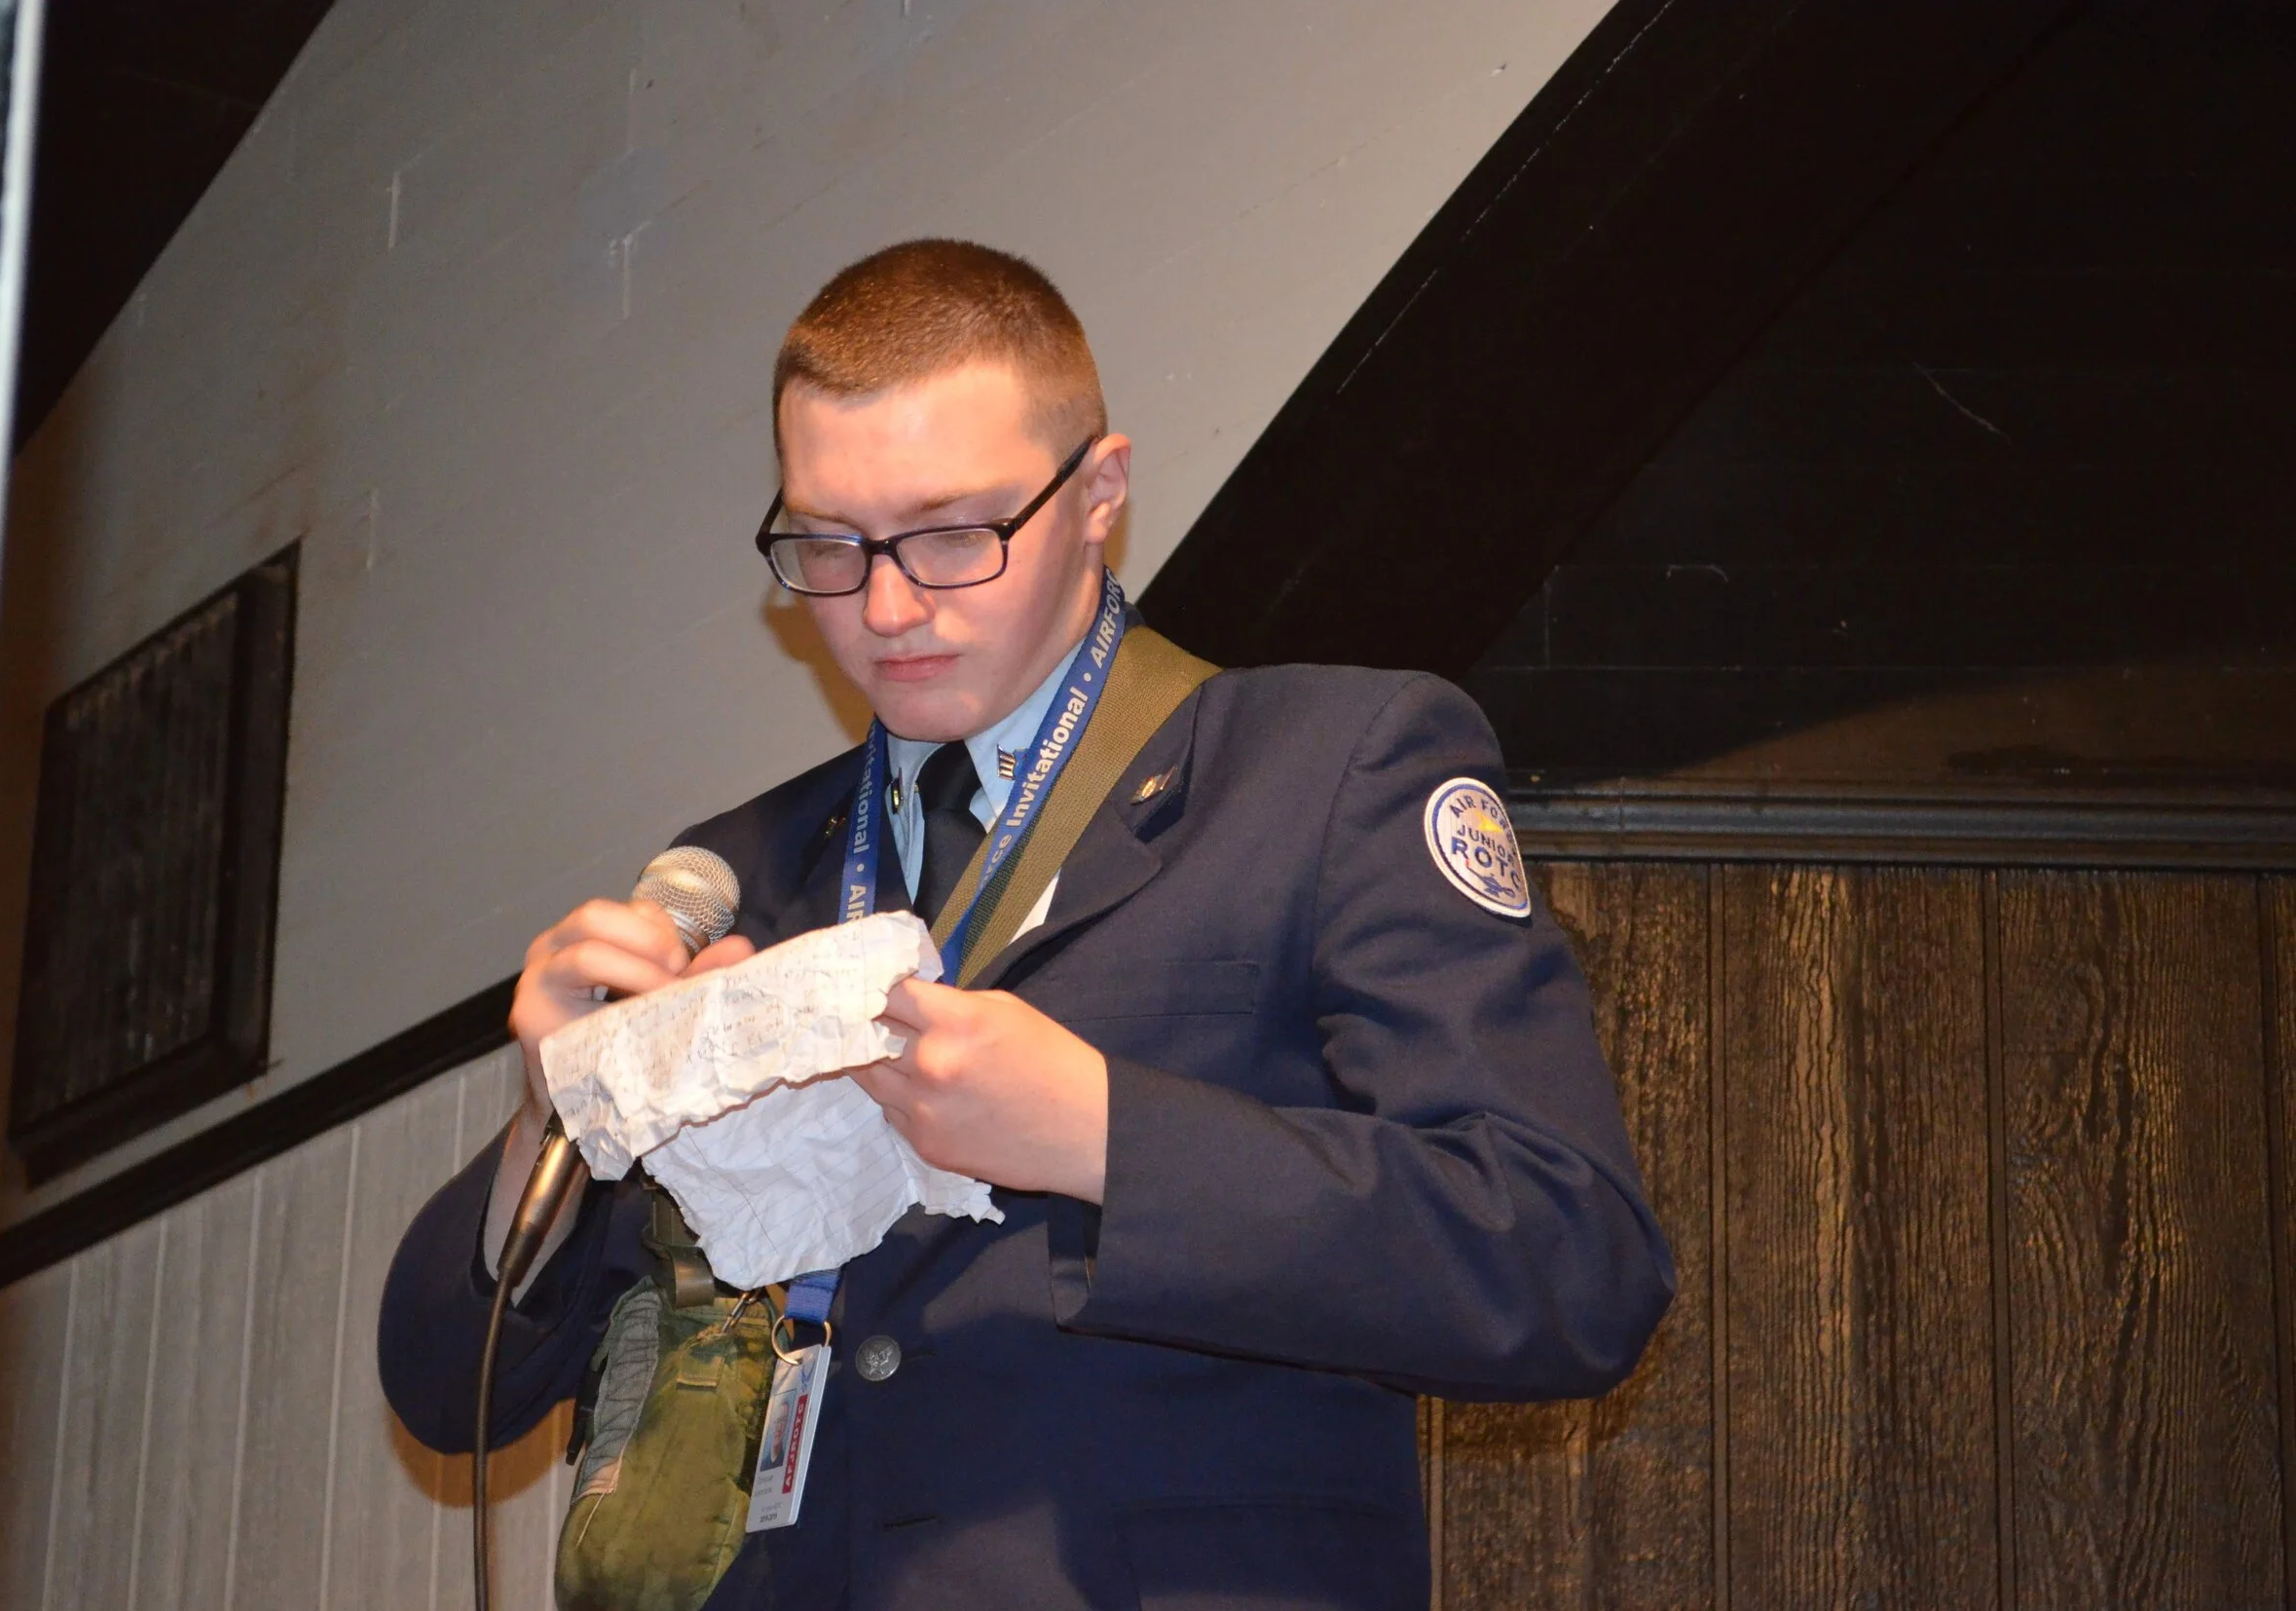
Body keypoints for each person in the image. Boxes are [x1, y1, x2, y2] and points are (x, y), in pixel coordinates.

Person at [380, 239, 1673, 1611]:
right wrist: (557, 1109)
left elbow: (1571, 1261)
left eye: (952, 536)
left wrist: (1106, 1135)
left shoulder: (1326, 769)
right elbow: (449, 1389)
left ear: (1100, 492)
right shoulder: (740, 878)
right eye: (827, 545)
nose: (886, 608)